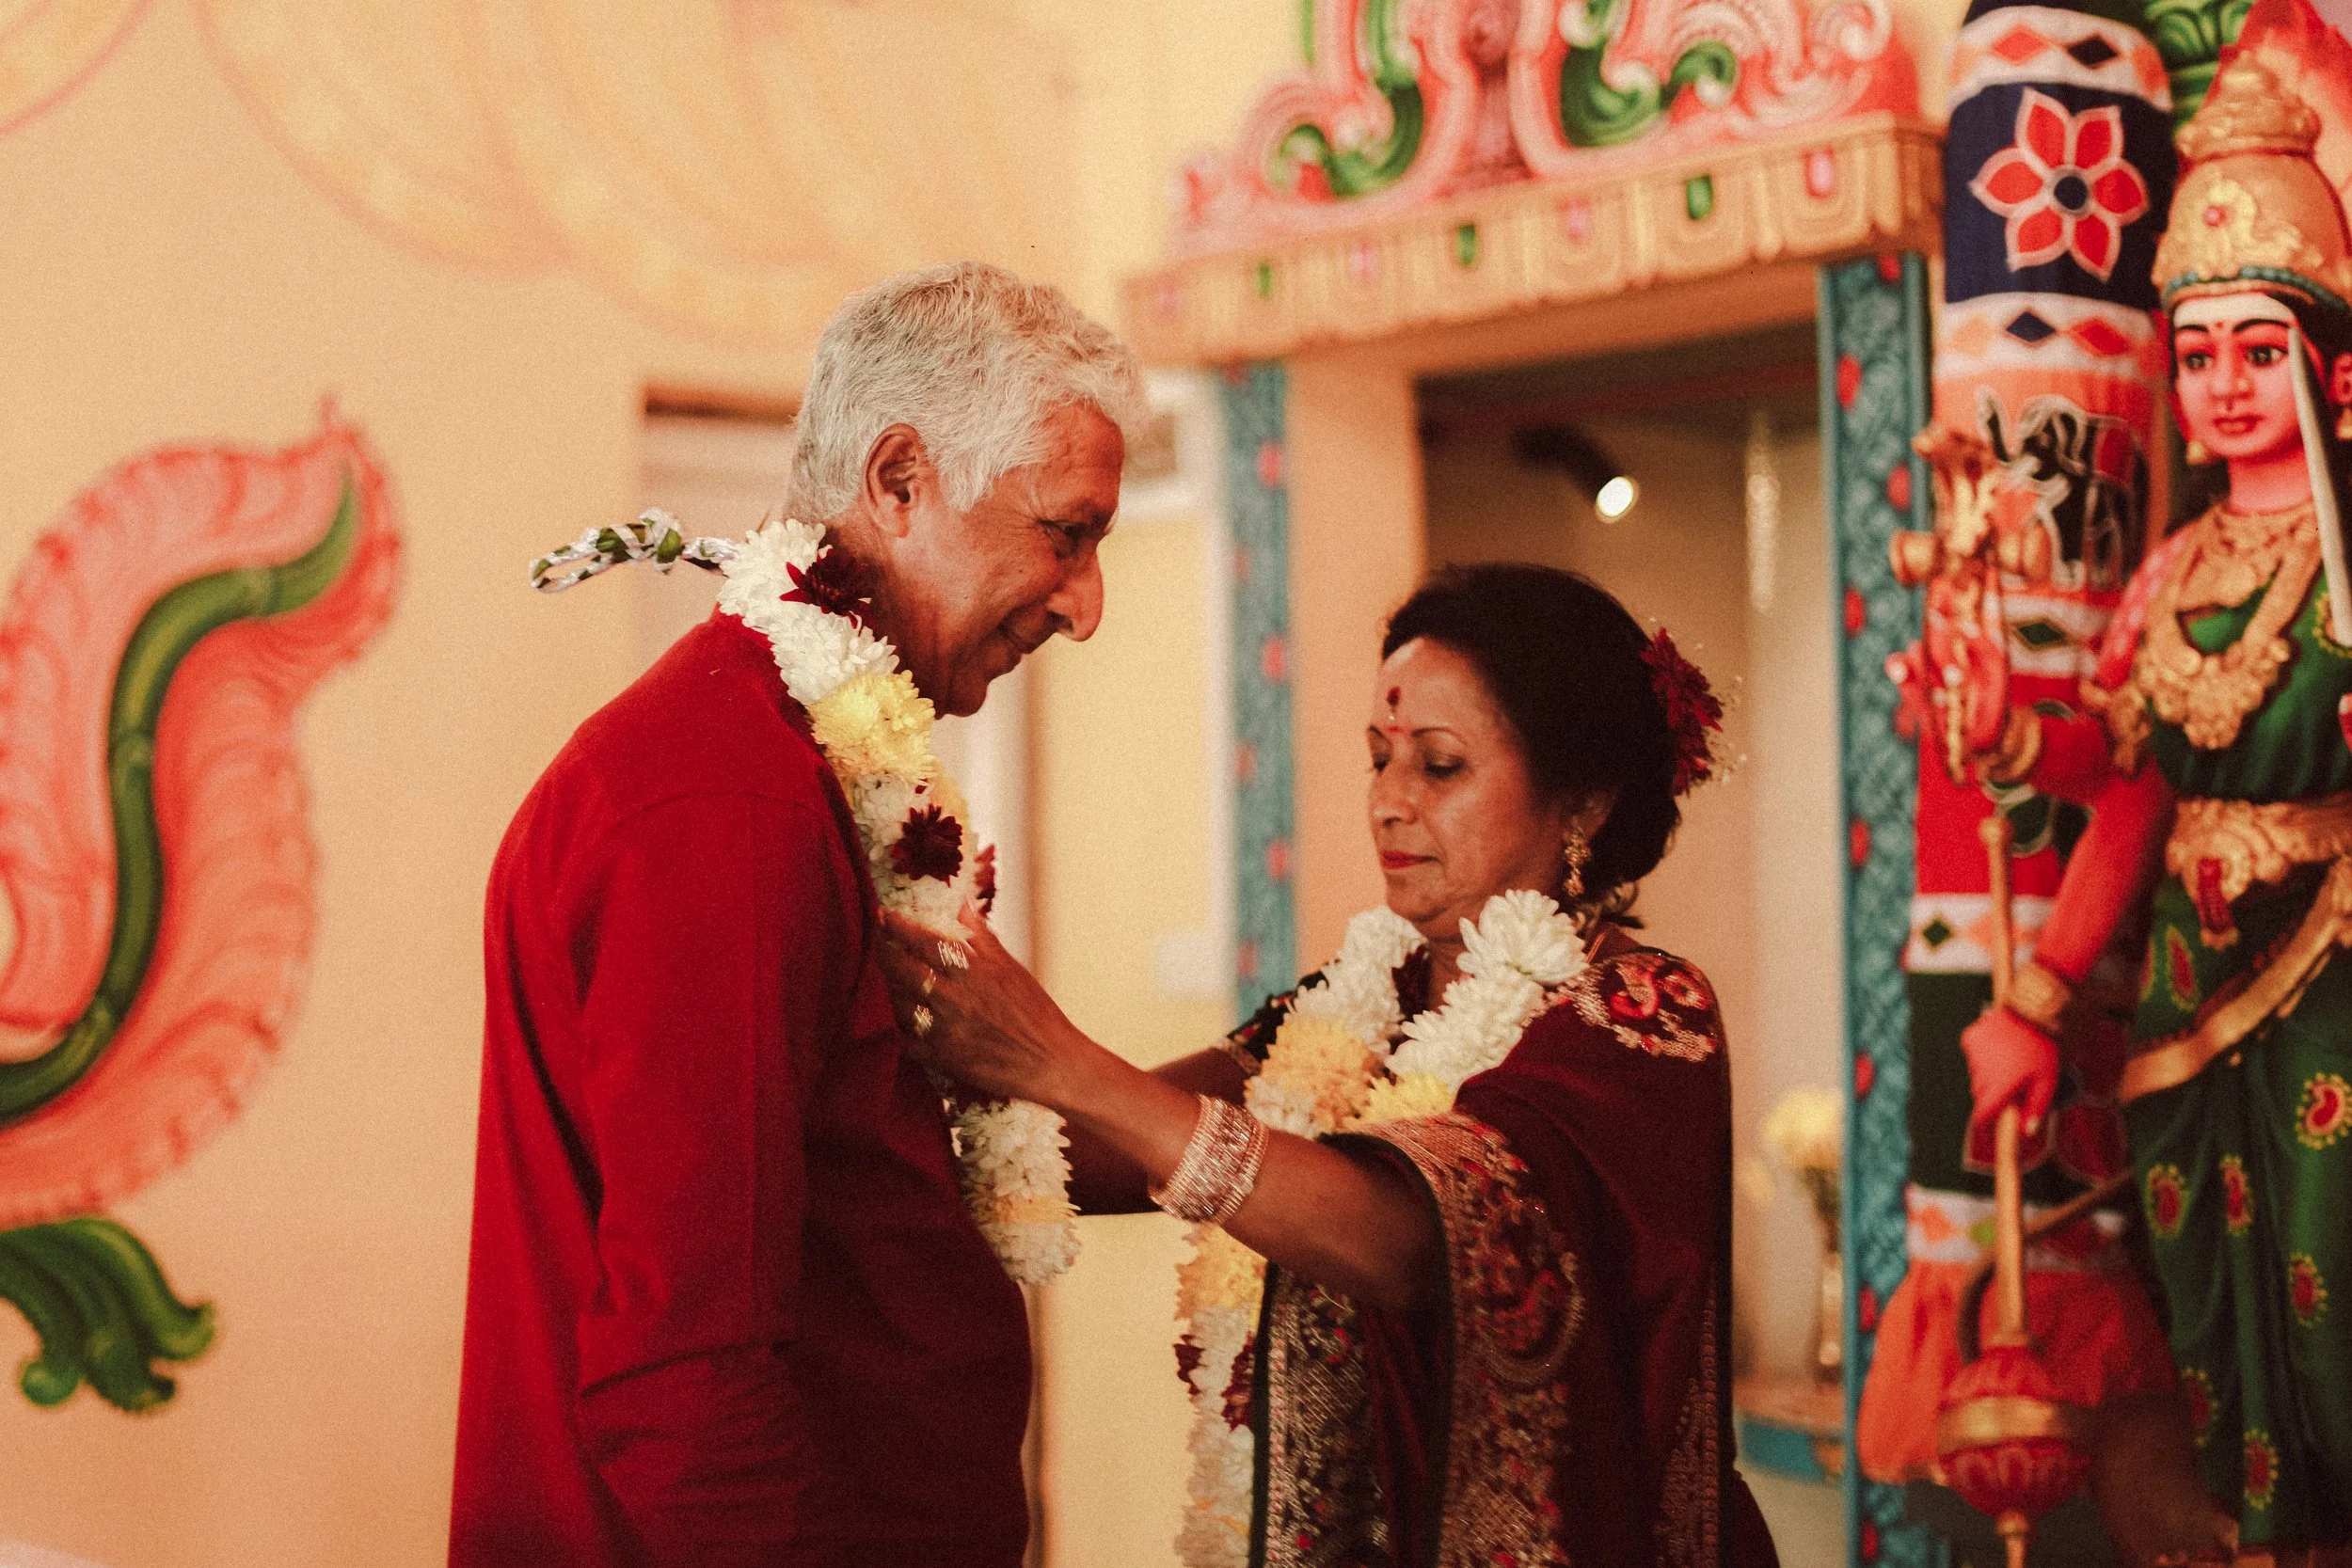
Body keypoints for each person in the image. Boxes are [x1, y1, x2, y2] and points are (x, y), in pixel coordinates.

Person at [449, 261, 1144, 1568]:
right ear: (897, 481)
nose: (1086, 603)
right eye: (1068, 531)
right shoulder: (728, 801)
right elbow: (687, 1374)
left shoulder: (807, 756)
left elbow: (880, 1173)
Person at [886, 562, 1778, 1568]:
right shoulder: (1355, 1005)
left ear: (1580, 802)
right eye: (1376, 757)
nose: (1389, 803)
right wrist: (893, 1011)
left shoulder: (1639, 1018)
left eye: (1439, 765)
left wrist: (1058, 1057)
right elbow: (1078, 1151)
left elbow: (1407, 1237)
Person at [1961, 52, 2352, 1555]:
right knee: (2215, 1318)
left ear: (2331, 370)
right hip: (2188, 1002)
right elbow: (2130, 793)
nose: (2226, 385)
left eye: (2259, 349)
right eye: (2199, 357)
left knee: (2332, 1306)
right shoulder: (2172, 574)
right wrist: (2039, 998)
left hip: (2330, 976)